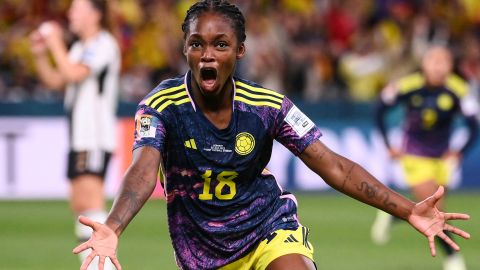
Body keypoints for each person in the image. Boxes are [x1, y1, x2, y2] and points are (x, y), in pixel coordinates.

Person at [73, 1, 470, 270]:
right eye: (197, 44)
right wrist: (114, 225)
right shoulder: (161, 106)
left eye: (220, 44)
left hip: (269, 231)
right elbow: (142, 172)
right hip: (201, 252)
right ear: (185, 49)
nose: (207, 54)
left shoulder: (268, 106)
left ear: (240, 50)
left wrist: (409, 210)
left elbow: (336, 167)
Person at [29, 0, 120, 269]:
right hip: (81, 137)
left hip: (94, 136)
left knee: (90, 205)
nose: (70, 13)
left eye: (76, 8)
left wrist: (55, 40)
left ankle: (101, 263)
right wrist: (39, 55)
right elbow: (57, 80)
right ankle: (93, 263)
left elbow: (72, 73)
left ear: (95, 14)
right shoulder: (82, 47)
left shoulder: (103, 44)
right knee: (81, 205)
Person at [371, 46, 478, 270]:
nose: (438, 67)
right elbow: (380, 109)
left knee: (429, 206)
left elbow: (473, 125)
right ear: (424, 64)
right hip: (414, 156)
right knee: (436, 209)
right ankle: (452, 259)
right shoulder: (408, 85)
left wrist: (459, 152)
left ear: (450, 66)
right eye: (434, 61)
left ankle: (392, 216)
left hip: (441, 159)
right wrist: (388, 145)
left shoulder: (458, 89)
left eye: (444, 61)